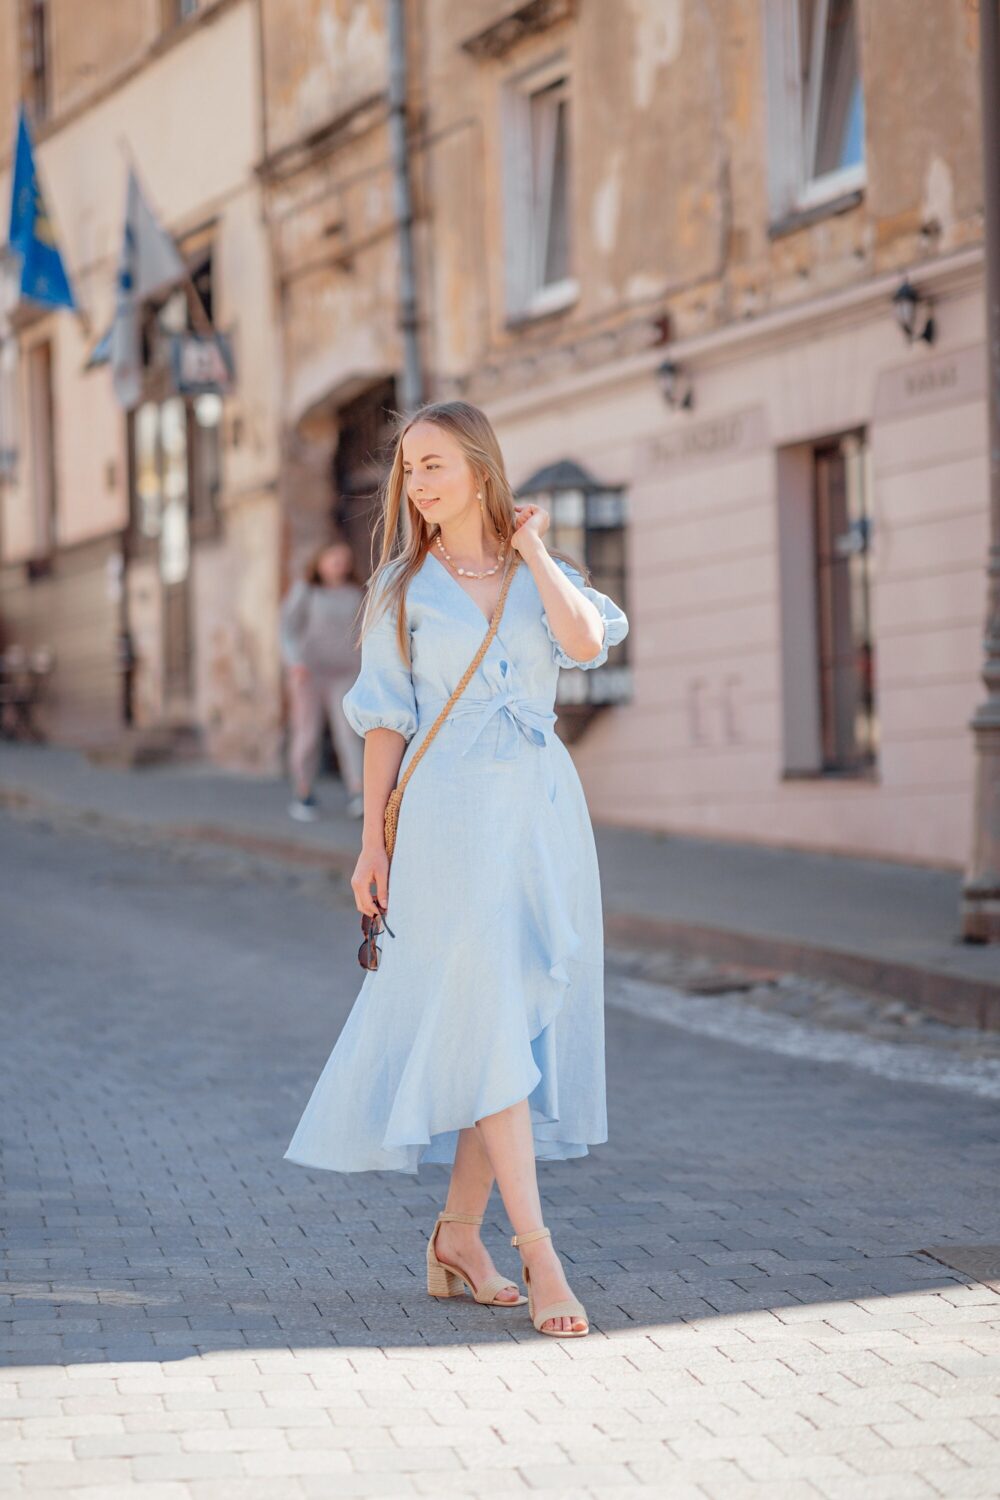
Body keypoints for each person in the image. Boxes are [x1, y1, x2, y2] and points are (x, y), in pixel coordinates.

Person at [283, 400, 629, 1338]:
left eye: (433, 463)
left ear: (479, 466)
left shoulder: (536, 570)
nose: (417, 482)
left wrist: (537, 552)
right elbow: (385, 719)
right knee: (487, 1020)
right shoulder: (399, 586)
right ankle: (539, 1253)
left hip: (541, 814)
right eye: (407, 469)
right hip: (448, 823)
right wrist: (369, 844)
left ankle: (455, 1238)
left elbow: (586, 645)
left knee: (505, 1022)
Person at [279, 540, 366, 821]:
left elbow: (365, 632)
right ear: (320, 561)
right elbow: (287, 629)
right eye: (334, 559)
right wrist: (295, 663)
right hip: (310, 674)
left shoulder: (355, 594)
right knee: (307, 733)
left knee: (349, 732)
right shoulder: (307, 591)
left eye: (344, 560)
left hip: (346, 672)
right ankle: (303, 791)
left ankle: (358, 790)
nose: (339, 565)